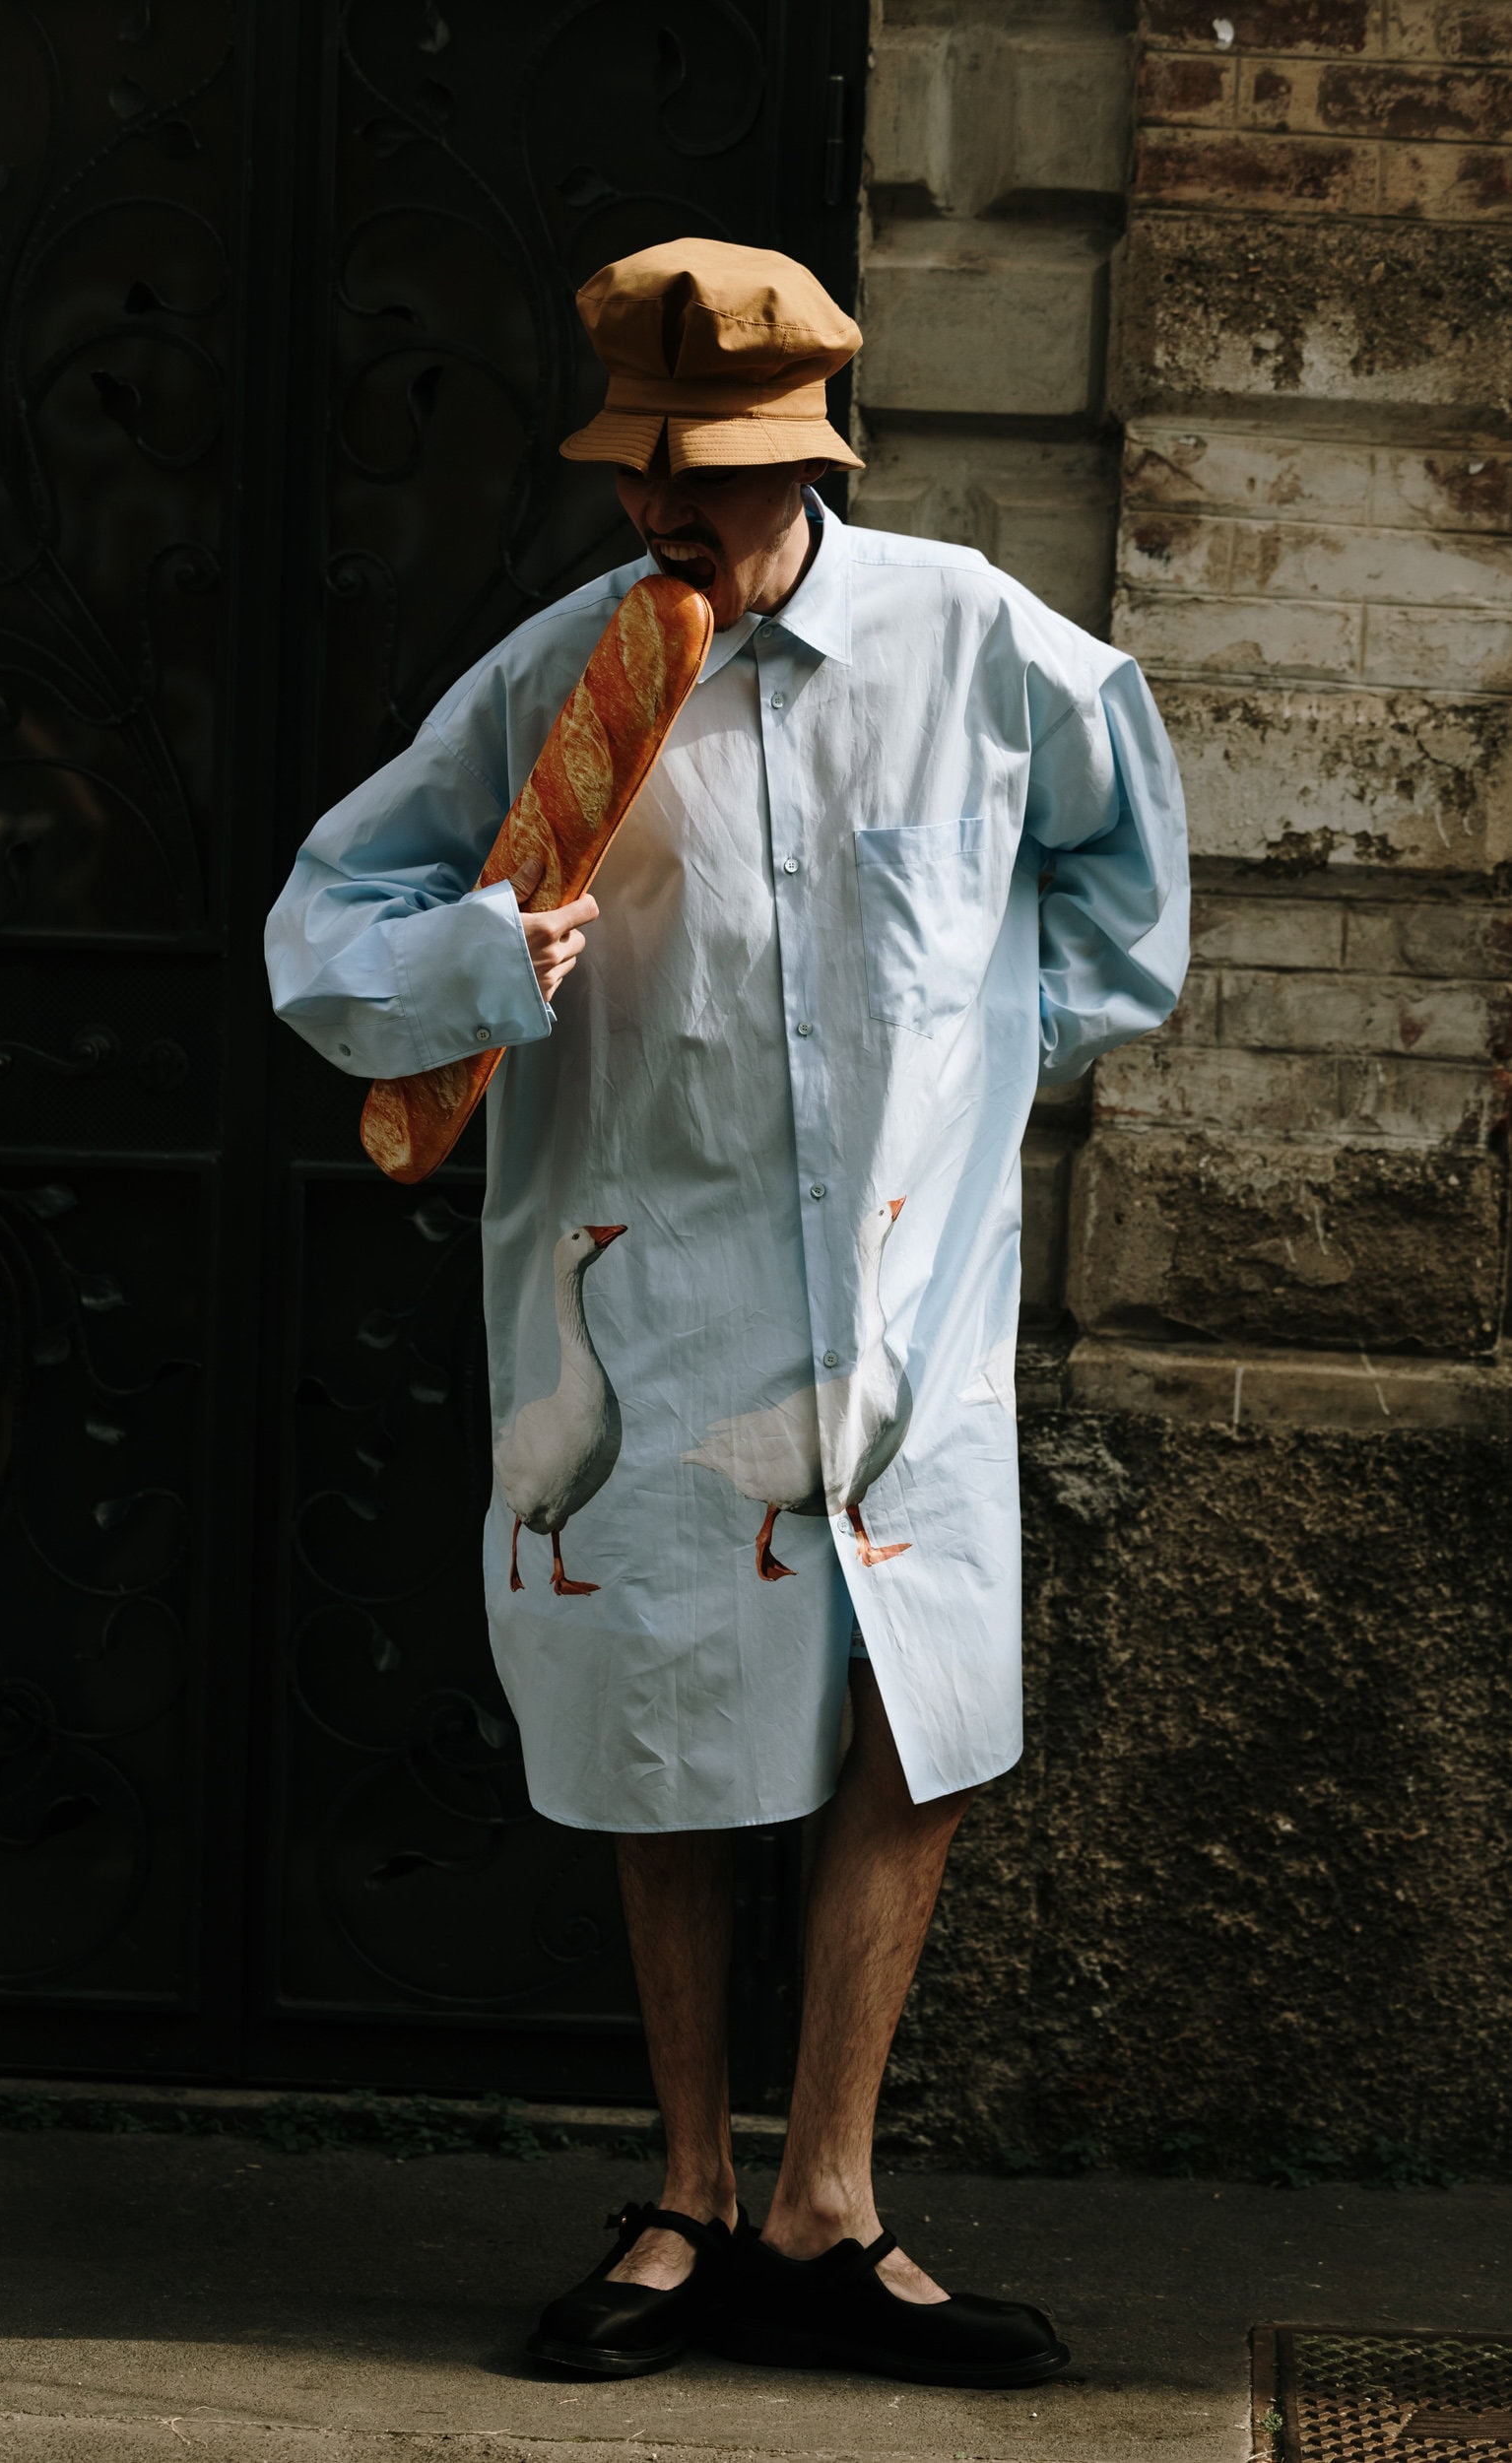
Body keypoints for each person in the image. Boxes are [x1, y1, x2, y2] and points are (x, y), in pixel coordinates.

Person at [265, 238, 1188, 2387]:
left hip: (907, 1295)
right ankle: (687, 2191)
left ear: (810, 459)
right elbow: (331, 916)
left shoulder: (981, 646)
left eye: (709, 474)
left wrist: (990, 1051)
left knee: (914, 1714)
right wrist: (481, 960)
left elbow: (1123, 886)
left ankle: (826, 2205)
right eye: (639, 472)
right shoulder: (561, 680)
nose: (664, 510)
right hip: (655, 1271)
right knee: (669, 1722)